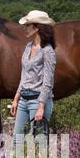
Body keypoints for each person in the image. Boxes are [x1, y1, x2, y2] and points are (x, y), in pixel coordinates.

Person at [11, 10, 57, 147]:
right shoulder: (28, 47)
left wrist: (41, 107)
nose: (25, 28)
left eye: (28, 25)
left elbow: (48, 82)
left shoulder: (48, 51)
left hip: (38, 101)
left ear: (37, 27)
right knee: (16, 140)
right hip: (24, 100)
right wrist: (16, 99)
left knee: (39, 143)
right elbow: (24, 76)